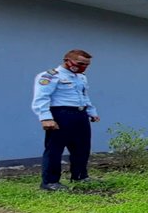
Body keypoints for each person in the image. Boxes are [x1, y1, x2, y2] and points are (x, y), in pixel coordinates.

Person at [31, 49, 100, 191]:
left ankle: (80, 176)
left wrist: (92, 112)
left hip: (80, 114)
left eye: (87, 65)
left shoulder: (81, 77)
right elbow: (41, 97)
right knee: (55, 149)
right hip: (61, 115)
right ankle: (50, 182)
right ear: (67, 61)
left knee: (82, 148)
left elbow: (84, 96)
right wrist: (45, 118)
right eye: (80, 63)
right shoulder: (50, 76)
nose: (83, 67)